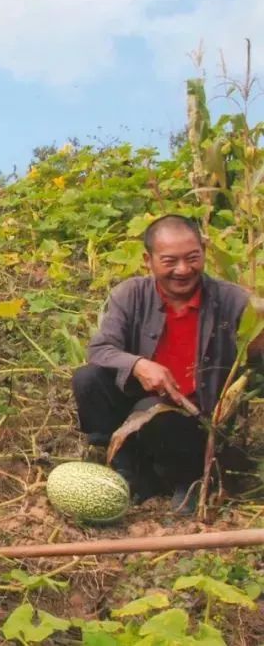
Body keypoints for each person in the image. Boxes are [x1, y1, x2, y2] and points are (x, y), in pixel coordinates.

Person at [72, 214, 261, 513]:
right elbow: (100, 349)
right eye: (170, 260)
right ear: (148, 260)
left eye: (192, 258)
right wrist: (138, 365)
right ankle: (128, 470)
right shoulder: (131, 294)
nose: (183, 270)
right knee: (89, 378)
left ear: (204, 254)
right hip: (140, 411)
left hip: (197, 421)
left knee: (152, 413)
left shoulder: (233, 301)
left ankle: (191, 481)